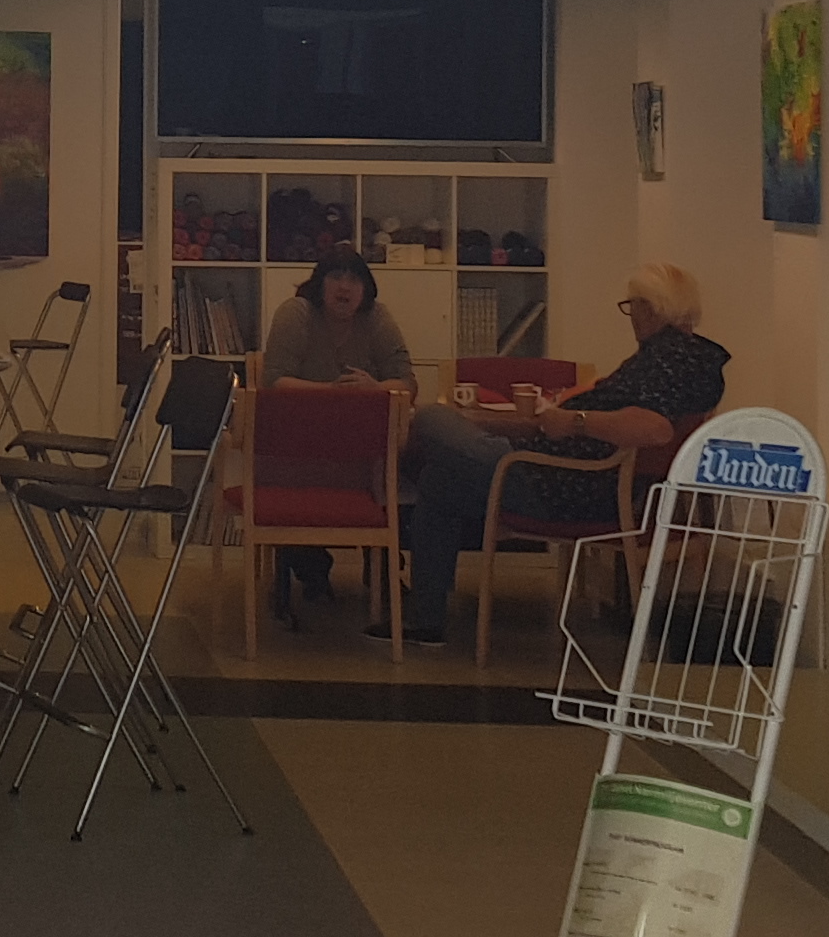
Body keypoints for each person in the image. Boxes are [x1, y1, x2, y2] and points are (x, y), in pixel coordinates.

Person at [396, 263, 729, 649]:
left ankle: (423, 610)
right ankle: (426, 624)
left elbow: (654, 428)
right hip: (565, 476)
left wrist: (575, 420)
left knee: (430, 418)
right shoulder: (692, 360)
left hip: (560, 484)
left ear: (652, 308)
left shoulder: (668, 361)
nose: (631, 317)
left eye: (633, 306)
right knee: (441, 480)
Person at [257, 244, 414, 626]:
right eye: (336, 277)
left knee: (398, 467)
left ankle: (380, 569)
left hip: (362, 459)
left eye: (354, 278)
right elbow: (273, 383)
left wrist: (375, 388)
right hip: (296, 451)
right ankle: (308, 564)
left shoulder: (377, 318)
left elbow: (407, 383)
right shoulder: (296, 313)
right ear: (319, 283)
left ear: (366, 288)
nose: (345, 286)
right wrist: (332, 392)